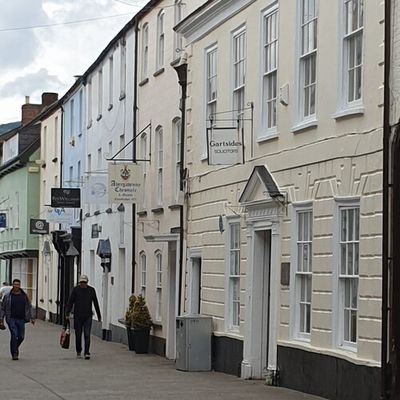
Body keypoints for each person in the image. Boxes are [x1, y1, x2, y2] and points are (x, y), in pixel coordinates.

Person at [66, 274, 101, 360]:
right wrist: (67, 313)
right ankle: (78, 350)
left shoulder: (91, 290)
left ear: (87, 282)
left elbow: (95, 303)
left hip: (88, 316)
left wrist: (99, 315)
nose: (83, 284)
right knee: (78, 335)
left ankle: (87, 352)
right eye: (81, 282)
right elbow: (70, 302)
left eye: (84, 282)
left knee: (87, 334)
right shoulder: (75, 290)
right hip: (77, 316)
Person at [0, 279, 35, 360]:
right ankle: (14, 353)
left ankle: (15, 347)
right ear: (13, 285)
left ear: (20, 285)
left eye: (18, 284)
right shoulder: (8, 296)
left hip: (21, 319)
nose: (16, 286)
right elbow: (3, 308)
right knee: (14, 335)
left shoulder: (24, 296)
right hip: (11, 318)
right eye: (15, 284)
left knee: (21, 337)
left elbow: (29, 306)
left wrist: (32, 317)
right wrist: (1, 318)